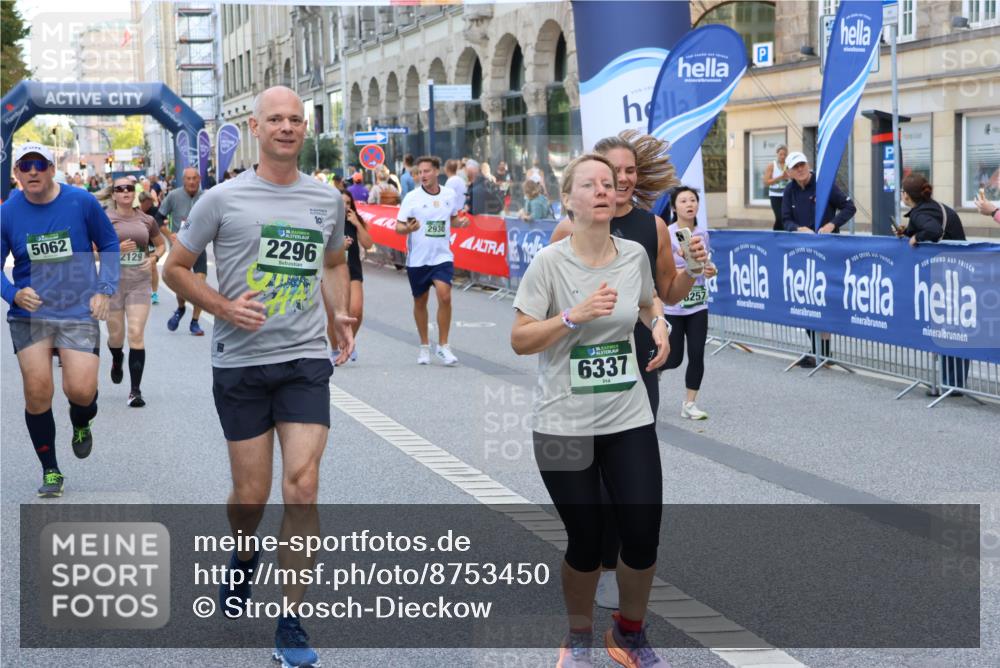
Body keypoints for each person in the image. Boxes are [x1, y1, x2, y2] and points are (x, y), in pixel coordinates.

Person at [163, 85, 351, 668]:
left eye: (296, 119)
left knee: (303, 485)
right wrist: (221, 307)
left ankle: (291, 620)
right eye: (277, 119)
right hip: (240, 363)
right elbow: (175, 269)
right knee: (251, 497)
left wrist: (339, 311)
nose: (288, 128)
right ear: (255, 125)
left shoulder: (326, 199)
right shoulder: (220, 200)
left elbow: (335, 260)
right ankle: (244, 559)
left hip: (303, 360)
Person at [511, 153, 671, 668]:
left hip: (628, 417)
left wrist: (660, 322)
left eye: (609, 182)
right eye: (590, 184)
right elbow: (520, 339)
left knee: (643, 533)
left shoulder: (632, 257)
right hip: (563, 422)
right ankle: (579, 636)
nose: (604, 189)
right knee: (586, 540)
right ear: (569, 200)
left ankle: (629, 633)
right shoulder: (549, 262)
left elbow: (647, 301)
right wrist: (571, 316)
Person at [550, 129, 707, 611]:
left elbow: (666, 294)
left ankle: (616, 565)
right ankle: (592, 560)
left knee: (627, 473)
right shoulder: (568, 229)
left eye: (629, 172)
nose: (621, 180)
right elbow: (544, 305)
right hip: (583, 368)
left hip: (640, 363)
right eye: (612, 172)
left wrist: (692, 270)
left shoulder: (652, 229)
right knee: (590, 472)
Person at [1, 142, 119, 498]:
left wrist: (105, 288)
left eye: (40, 164)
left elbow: (110, 244)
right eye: (25, 165)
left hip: (77, 309)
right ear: (17, 173)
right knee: (38, 392)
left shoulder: (80, 202)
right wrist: (12, 293)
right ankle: (51, 469)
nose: (33, 171)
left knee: (80, 391)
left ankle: (81, 420)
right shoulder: (7, 212)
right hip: (30, 314)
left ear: (52, 168)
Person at [895, 173, 968, 398]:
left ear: (907, 196)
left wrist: (916, 238)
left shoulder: (921, 212)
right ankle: (951, 382)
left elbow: (933, 231)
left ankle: (951, 384)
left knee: (951, 328)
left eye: (902, 191)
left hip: (950, 274)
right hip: (959, 272)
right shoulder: (934, 207)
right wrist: (907, 232)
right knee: (954, 327)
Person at [781, 151, 856, 367]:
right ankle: (817, 351)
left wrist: (833, 224)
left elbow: (849, 207)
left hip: (827, 250)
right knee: (805, 299)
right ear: (789, 172)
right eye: (795, 167)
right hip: (802, 253)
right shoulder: (789, 191)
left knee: (822, 299)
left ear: (809, 164)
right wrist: (797, 228)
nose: (800, 169)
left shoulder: (824, 185)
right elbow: (785, 219)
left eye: (802, 164)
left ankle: (823, 352)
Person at [396, 155, 470, 366]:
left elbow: (453, 218)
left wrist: (460, 223)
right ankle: (424, 345)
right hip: (418, 259)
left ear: (437, 171)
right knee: (420, 302)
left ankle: (444, 346)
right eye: (419, 172)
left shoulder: (449, 194)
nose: (422, 176)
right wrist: (408, 228)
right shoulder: (411, 197)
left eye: (427, 171)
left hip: (442, 256)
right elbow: (398, 227)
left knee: (444, 296)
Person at [106, 177, 166, 407]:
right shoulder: (105, 219)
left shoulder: (147, 219)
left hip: (139, 283)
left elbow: (161, 244)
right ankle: (117, 358)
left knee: (135, 333)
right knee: (116, 337)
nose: (125, 192)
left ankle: (135, 391)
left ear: (134, 192)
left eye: (129, 188)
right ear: (113, 195)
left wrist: (153, 257)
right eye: (119, 189)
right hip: (113, 283)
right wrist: (114, 249)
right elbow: (92, 251)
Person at [663, 186, 717, 420]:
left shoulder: (702, 233)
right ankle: (652, 373)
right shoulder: (666, 232)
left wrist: (710, 270)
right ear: (674, 207)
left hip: (697, 303)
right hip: (673, 305)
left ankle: (690, 404)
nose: (689, 204)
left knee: (697, 354)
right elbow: (663, 270)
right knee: (673, 358)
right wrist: (686, 268)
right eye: (683, 200)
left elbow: (705, 266)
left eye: (693, 200)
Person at [159, 167, 208, 336]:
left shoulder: (207, 197)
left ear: (200, 179)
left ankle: (195, 322)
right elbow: (158, 218)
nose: (192, 182)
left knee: (200, 286)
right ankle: (181, 308)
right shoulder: (173, 196)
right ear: (183, 180)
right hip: (179, 249)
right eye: (188, 178)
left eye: (195, 178)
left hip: (199, 247)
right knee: (182, 286)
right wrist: (169, 235)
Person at [329, 188, 373, 363]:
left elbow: (368, 244)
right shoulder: (328, 221)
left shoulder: (355, 221)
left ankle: (349, 343)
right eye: (341, 202)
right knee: (334, 314)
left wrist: (357, 224)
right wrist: (340, 248)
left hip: (353, 270)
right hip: (332, 271)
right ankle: (334, 350)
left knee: (356, 310)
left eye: (348, 203)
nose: (345, 206)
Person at [139, 192, 165, 304]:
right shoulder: (136, 212)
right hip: (139, 243)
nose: (150, 205)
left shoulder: (154, 211)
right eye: (148, 203)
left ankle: (154, 293)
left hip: (151, 242)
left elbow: (159, 223)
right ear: (142, 202)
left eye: (151, 202)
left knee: (153, 266)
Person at [763, 144, 790, 231]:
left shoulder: (789, 165)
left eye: (785, 154)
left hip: (787, 195)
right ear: (777, 154)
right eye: (781, 154)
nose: (783, 156)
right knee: (779, 217)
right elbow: (766, 182)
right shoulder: (772, 166)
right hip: (775, 196)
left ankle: (781, 235)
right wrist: (780, 177)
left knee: (785, 217)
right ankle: (776, 235)